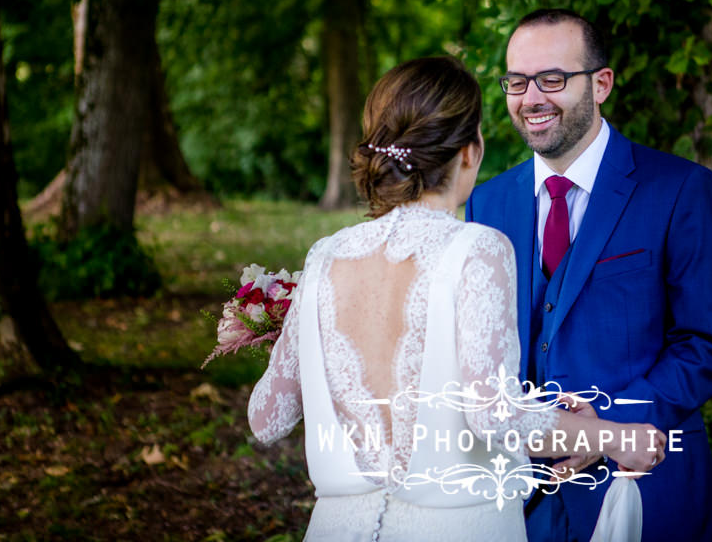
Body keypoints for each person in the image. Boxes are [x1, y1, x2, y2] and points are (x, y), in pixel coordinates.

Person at [248, 56, 665, 542]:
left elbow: (265, 418)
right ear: (470, 151)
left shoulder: (324, 257)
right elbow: (494, 416)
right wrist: (613, 437)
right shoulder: (477, 248)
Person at [466, 10, 712, 542]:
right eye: (517, 82)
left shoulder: (680, 189)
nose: (531, 98)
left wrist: (607, 425)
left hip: (643, 485)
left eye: (552, 79)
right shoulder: (486, 202)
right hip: (520, 499)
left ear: (602, 83)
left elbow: (707, 341)